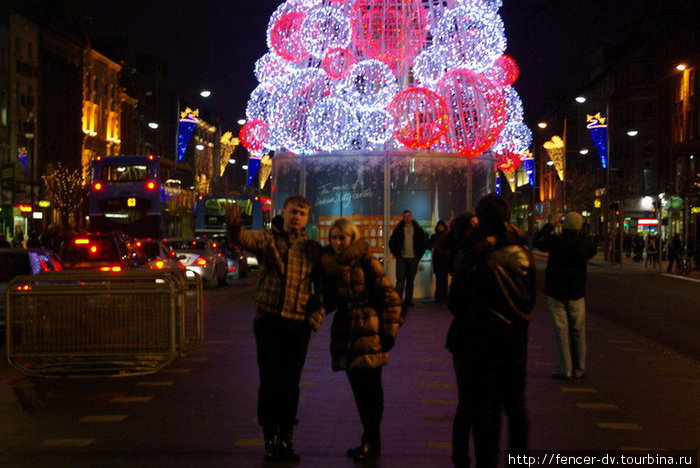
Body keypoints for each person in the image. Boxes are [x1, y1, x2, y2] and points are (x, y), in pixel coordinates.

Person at [225, 195, 324, 462]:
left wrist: (314, 318)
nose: (297, 217)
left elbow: (324, 291)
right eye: (294, 212)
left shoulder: (312, 249)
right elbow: (243, 239)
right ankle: (270, 438)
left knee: (290, 384)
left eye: (303, 213)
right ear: (284, 212)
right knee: (269, 383)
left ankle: (287, 437)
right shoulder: (268, 239)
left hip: (297, 325)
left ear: (307, 218)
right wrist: (234, 226)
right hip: (269, 322)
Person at [446, 195, 537, 468]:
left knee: (485, 407)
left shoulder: (478, 255)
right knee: (516, 406)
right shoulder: (523, 254)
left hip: (483, 341)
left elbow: (455, 302)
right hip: (516, 340)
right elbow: (531, 297)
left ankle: (488, 460)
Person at [320, 218, 403, 463]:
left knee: (370, 392)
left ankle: (371, 442)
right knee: (361, 392)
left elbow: (390, 296)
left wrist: (389, 333)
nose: (337, 242)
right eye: (334, 237)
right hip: (346, 332)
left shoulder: (365, 260)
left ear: (352, 238)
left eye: (342, 237)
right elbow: (330, 302)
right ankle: (369, 441)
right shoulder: (332, 266)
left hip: (368, 330)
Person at [533, 211, 597, 380]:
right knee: (578, 331)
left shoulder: (555, 241)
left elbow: (537, 241)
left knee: (561, 331)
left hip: (556, 291)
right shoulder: (583, 243)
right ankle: (579, 368)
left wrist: (551, 224)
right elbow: (592, 248)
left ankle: (565, 369)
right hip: (576, 292)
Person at [388, 210, 428, 307]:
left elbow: (423, 243)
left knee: (410, 281)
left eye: (408, 216)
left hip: (413, 258)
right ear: (403, 217)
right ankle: (398, 300)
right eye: (405, 216)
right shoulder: (398, 230)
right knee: (400, 281)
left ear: (411, 216)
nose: (407, 218)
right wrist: (397, 254)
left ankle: (408, 301)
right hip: (402, 258)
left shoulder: (418, 230)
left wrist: (418, 255)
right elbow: (391, 243)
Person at [429, 220, 452, 303]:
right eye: (439, 226)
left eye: (442, 226)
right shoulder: (435, 236)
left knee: (444, 279)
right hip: (438, 260)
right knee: (439, 278)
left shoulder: (447, 236)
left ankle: (443, 296)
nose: (440, 227)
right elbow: (429, 246)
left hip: (445, 259)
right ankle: (439, 296)